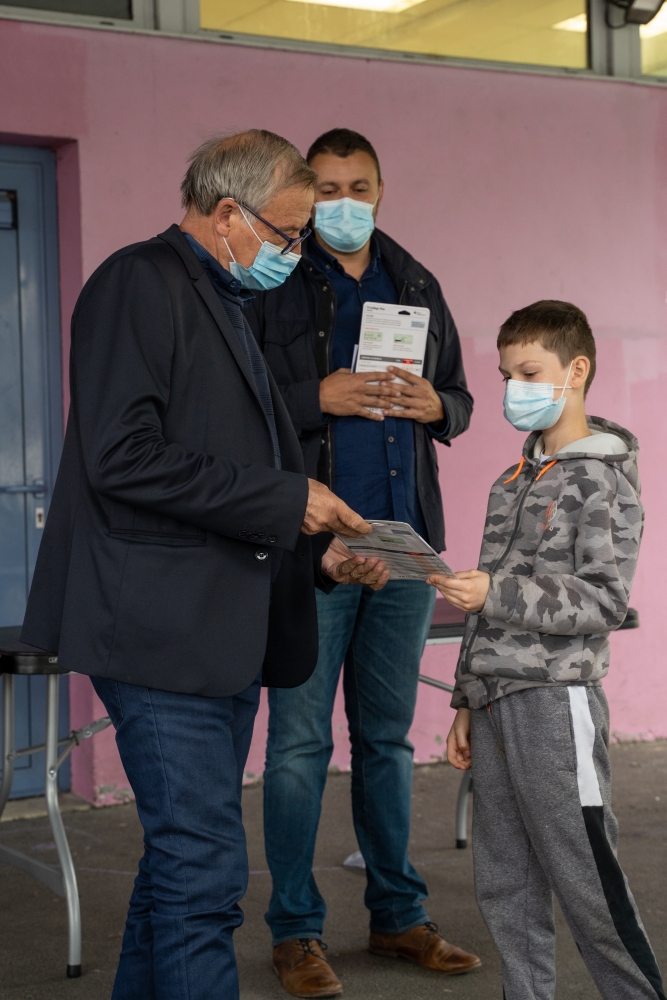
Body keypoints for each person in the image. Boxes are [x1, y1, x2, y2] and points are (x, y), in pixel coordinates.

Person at [20, 130, 392, 1000]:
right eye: (287, 233)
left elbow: (228, 457)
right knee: (205, 873)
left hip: (216, 632)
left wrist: (319, 551)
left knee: (178, 867)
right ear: (227, 213)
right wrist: (286, 500)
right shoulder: (138, 283)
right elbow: (123, 457)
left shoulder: (222, 297)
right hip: (158, 632)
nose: (295, 253)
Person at [247, 128, 479, 997]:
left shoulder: (414, 282)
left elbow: (459, 396)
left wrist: (435, 405)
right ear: (305, 194)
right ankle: (295, 933)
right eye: (327, 188)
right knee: (298, 746)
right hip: (316, 550)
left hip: (404, 545)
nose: (344, 203)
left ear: (381, 190)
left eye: (359, 187)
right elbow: (235, 404)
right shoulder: (273, 282)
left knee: (385, 741)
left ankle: (398, 917)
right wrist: (318, 396)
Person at [430, 300, 665, 1000]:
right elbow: (485, 607)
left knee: (586, 878)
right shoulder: (513, 481)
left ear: (576, 369)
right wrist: (465, 700)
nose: (513, 389)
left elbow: (602, 601)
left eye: (529, 373)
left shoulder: (602, 479)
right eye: (506, 375)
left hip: (555, 704)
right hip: (495, 703)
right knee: (505, 881)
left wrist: (494, 592)